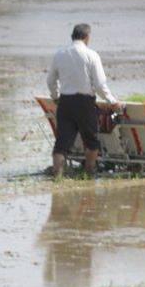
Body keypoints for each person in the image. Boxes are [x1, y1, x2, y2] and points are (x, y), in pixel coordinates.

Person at [46, 23, 122, 178]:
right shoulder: (91, 55)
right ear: (87, 37)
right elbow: (100, 85)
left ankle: (57, 176)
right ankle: (89, 172)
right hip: (85, 103)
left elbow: (50, 80)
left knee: (61, 144)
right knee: (91, 141)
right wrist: (112, 101)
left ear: (72, 36)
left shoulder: (59, 54)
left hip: (65, 102)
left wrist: (55, 97)